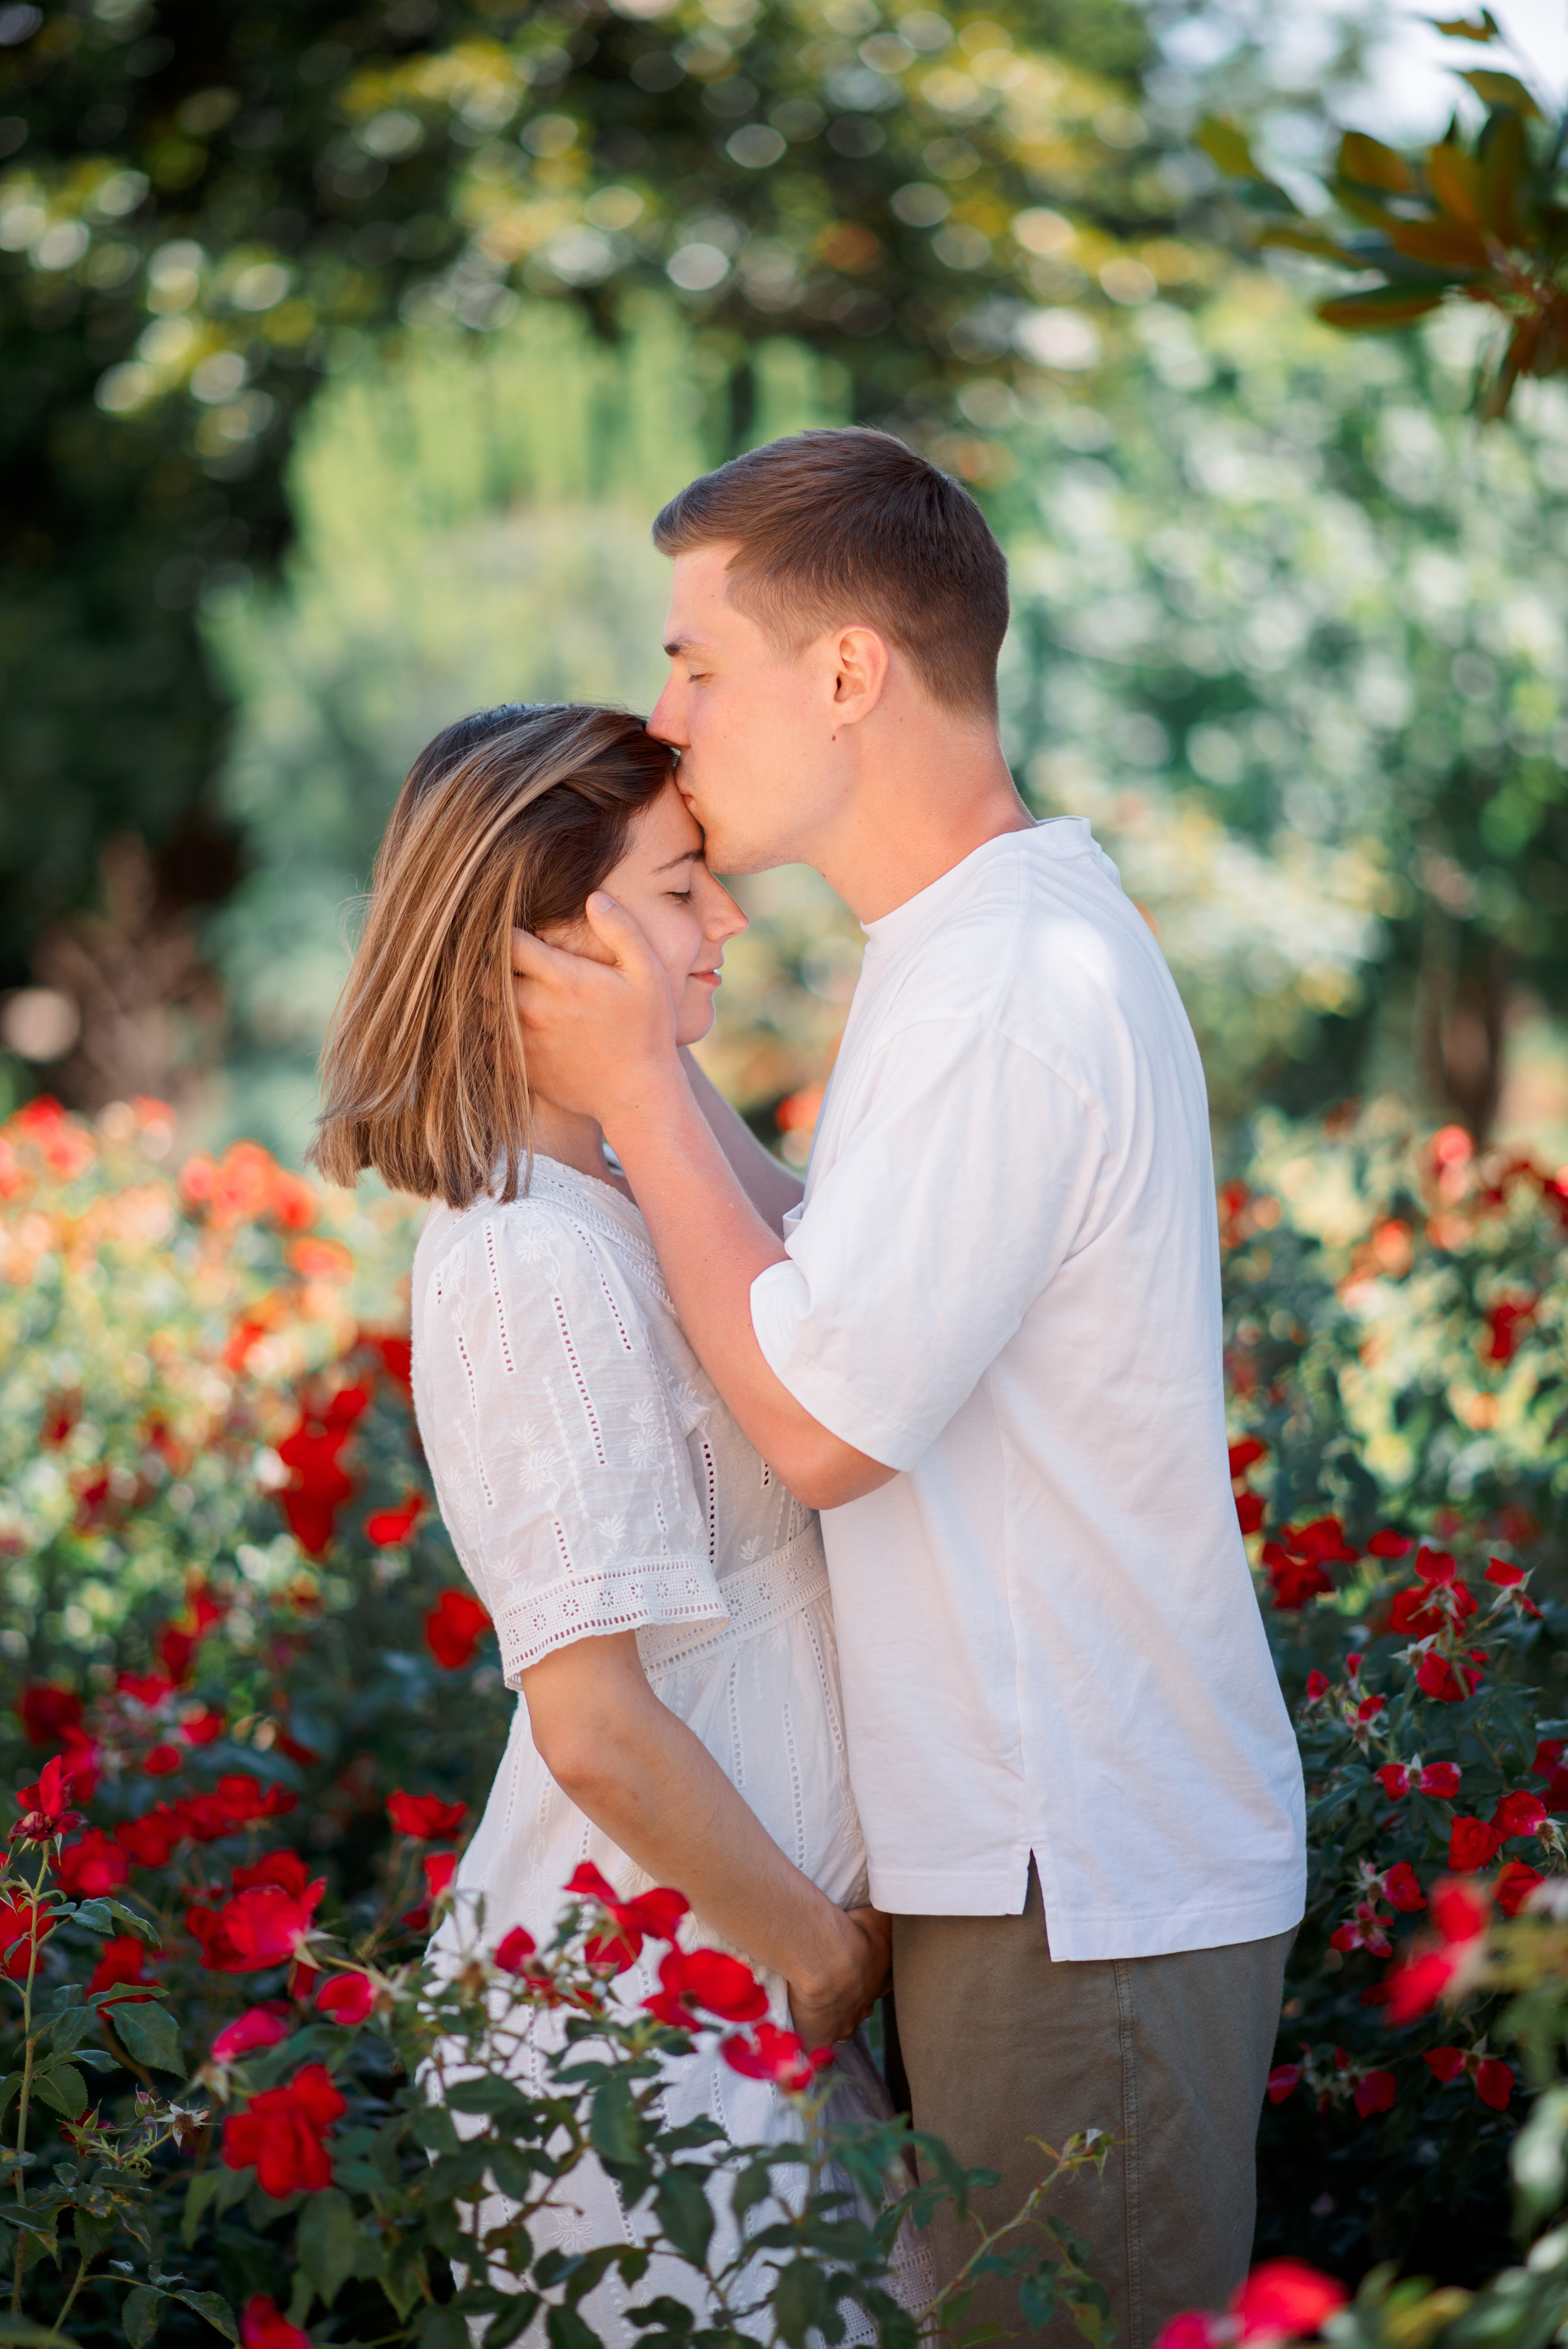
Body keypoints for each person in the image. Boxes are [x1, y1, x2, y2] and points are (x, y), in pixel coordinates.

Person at [507, 429, 1310, 2345]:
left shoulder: (1010, 984)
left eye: (700, 660)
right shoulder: (964, 953)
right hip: (1038, 1858)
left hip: (1075, 1872)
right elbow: (823, 1281)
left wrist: (632, 1094)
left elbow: (819, 1422)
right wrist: (644, 1067)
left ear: (848, 673)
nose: (666, 709)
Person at [310, 701, 930, 2343]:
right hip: (660, 2020)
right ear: (552, 944)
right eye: (679, 890)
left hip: (735, 1996)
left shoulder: (616, 1201)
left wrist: (646, 1065)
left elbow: (832, 1293)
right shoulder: (526, 1262)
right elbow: (589, 1721)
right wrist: (820, 1960)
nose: (728, 919)